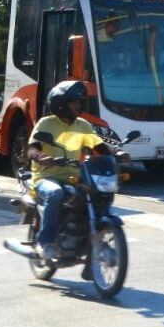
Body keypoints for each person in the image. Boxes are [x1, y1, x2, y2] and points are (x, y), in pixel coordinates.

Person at [24, 81, 130, 261]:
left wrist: (118, 152)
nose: (78, 106)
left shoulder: (82, 125)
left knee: (96, 195)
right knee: (56, 193)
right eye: (74, 102)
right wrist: (41, 157)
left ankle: (87, 243)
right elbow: (31, 149)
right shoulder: (46, 123)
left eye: (79, 102)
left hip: (74, 176)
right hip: (47, 177)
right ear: (61, 105)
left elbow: (99, 146)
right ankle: (45, 242)